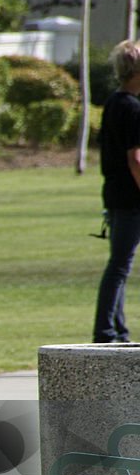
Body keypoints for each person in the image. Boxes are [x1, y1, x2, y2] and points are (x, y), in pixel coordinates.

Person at [94, 40, 140, 343]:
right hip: (131, 198)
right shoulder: (134, 108)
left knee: (120, 264)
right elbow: (135, 158)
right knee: (120, 267)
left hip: (114, 193)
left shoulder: (114, 102)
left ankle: (118, 330)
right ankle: (106, 331)